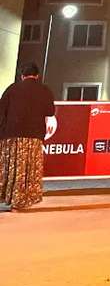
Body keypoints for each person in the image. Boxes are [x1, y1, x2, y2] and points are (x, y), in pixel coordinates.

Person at [0, 62, 56, 212]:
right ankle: (22, 200)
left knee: (13, 167)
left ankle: (9, 197)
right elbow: (50, 111)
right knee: (28, 168)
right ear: (37, 76)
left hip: (11, 135)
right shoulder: (44, 90)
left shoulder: (12, 89)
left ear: (22, 76)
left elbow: (1, 110)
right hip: (34, 135)